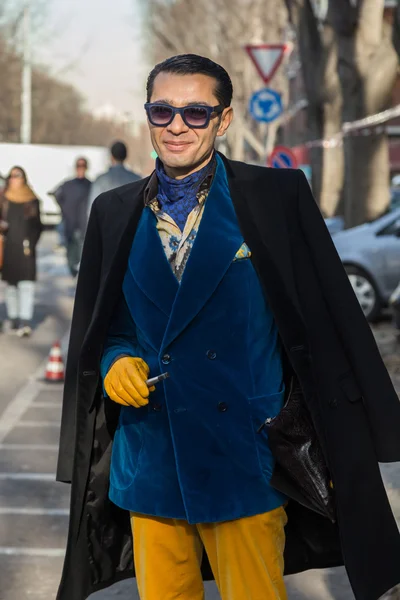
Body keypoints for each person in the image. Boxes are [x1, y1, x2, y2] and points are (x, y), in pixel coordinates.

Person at [56, 54, 400, 600]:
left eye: (196, 112)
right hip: (151, 457)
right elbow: (106, 324)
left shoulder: (274, 200)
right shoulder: (113, 211)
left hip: (244, 459)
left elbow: (321, 323)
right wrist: (113, 358)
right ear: (147, 116)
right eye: (162, 110)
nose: (176, 125)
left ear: (225, 119)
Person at [0, 166, 42, 337]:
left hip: (25, 249)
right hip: (9, 247)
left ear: (23, 178)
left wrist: (30, 243)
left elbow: (37, 226)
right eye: (11, 176)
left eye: (17, 176)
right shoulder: (4, 199)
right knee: (11, 286)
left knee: (26, 285)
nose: (13, 179)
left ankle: (25, 321)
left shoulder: (31, 199)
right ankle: (14, 318)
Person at [53, 157, 91, 277]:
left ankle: (79, 276)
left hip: (84, 224)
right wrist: (64, 209)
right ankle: (73, 273)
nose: (80, 169)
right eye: (78, 167)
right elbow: (57, 194)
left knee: (82, 254)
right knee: (70, 254)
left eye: (83, 167)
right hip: (70, 223)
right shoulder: (68, 185)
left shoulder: (90, 185)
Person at [87, 140, 140, 215]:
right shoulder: (136, 179)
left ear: (111, 156)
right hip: (131, 225)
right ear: (125, 156)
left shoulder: (101, 180)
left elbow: (92, 209)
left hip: (106, 224)